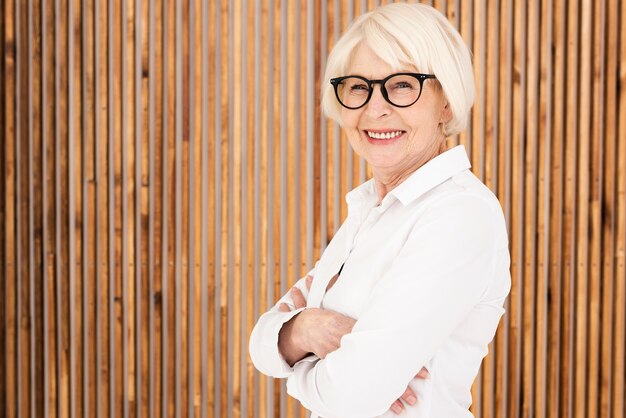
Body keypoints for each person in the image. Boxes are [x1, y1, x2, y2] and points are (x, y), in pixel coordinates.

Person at [249, 3, 511, 417]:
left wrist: (298, 368)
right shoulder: (372, 208)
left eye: (403, 85)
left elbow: (352, 395)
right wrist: (305, 327)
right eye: (358, 87)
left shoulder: (459, 215)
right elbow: (262, 345)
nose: (375, 109)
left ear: (447, 101)